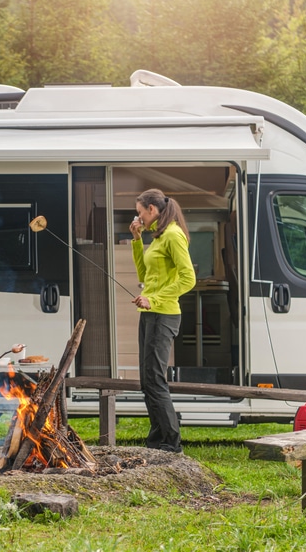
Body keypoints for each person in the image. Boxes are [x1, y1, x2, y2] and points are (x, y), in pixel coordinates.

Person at [129, 188, 196, 453]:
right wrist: (136, 240)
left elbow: (188, 278)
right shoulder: (156, 237)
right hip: (150, 315)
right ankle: (157, 441)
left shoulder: (173, 235)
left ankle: (172, 442)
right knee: (147, 380)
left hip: (164, 314)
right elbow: (145, 274)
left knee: (155, 379)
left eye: (139, 213)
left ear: (152, 210)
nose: (139, 218)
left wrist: (154, 300)